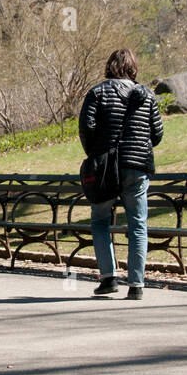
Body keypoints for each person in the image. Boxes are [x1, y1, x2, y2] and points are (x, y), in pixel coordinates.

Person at [79, 49, 163, 300]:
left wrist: (95, 154)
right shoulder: (147, 95)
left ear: (109, 67)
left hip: (106, 167)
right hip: (137, 167)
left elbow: (87, 128)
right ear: (133, 68)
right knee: (138, 223)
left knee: (100, 220)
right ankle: (136, 285)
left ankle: (109, 278)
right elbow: (157, 134)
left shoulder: (97, 93)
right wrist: (139, 146)